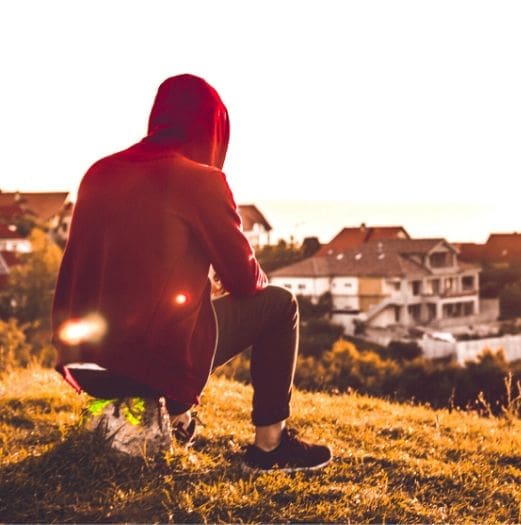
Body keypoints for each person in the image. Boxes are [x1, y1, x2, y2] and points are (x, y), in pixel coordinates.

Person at [51, 74, 331, 471]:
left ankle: (177, 414)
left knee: (184, 316)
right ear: (213, 130)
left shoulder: (99, 172)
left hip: (83, 363)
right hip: (143, 367)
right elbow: (245, 280)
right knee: (281, 305)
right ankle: (270, 448)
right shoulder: (201, 180)